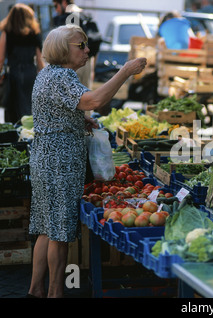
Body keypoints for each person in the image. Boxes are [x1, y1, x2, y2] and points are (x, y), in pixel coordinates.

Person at [26, 24, 146, 298]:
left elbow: (66, 108)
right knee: (60, 232)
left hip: (45, 157)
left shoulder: (48, 74)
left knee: (46, 227)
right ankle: (56, 293)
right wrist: (125, 72)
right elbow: (94, 100)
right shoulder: (63, 76)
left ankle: (35, 291)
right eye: (81, 45)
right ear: (62, 49)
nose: (87, 50)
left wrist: (80, 119)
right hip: (61, 162)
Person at [0, 3, 45, 123]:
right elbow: (40, 60)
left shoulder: (7, 33)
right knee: (30, 108)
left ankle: (15, 136)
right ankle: (29, 136)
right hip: (31, 74)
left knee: (13, 110)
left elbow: (0, 58)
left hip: (13, 74)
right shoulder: (34, 34)